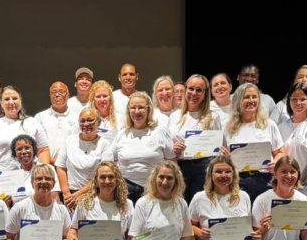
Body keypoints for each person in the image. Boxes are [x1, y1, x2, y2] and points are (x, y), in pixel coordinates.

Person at [188, 156, 261, 240]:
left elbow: (248, 227)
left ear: (233, 174)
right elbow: (189, 227)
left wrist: (256, 236)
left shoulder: (243, 196)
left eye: (228, 171)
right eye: (218, 172)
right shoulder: (199, 198)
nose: (224, 175)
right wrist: (199, 233)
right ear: (211, 175)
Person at [106, 91, 175, 205]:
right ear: (128, 110)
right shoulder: (122, 134)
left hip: (155, 189)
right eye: (133, 108)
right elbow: (109, 160)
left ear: (149, 109)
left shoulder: (160, 131)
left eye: (141, 107)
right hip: (126, 191)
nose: (137, 111)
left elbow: (172, 160)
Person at [4, 164, 73, 240]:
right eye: (39, 178)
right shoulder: (20, 207)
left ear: (53, 184)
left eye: (48, 178)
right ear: (32, 183)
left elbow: (68, 237)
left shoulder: (62, 209)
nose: (43, 181)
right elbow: (8, 237)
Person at [224, 82, 284, 203]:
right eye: (246, 97)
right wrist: (226, 157)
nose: (251, 100)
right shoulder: (228, 127)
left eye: (254, 97)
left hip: (265, 180)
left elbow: (281, 153)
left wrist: (277, 162)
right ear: (238, 101)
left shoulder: (268, 124)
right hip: (238, 180)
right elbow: (223, 156)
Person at [69, 162, 135, 240]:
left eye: (111, 177)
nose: (107, 181)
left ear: (117, 180)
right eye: (103, 177)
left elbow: (132, 234)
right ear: (96, 181)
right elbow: (73, 229)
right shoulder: (85, 203)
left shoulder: (127, 204)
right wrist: (73, 238)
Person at [169, 74, 224, 202]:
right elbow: (168, 145)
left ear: (205, 93)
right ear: (185, 89)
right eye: (191, 89)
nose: (194, 93)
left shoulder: (213, 117)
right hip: (179, 168)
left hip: (203, 170)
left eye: (199, 90)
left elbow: (218, 148)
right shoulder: (174, 116)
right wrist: (173, 148)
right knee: (180, 207)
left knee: (201, 208)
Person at [130, 161, 194, 240]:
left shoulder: (181, 203)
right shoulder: (143, 203)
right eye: (161, 177)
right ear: (155, 178)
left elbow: (186, 237)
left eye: (169, 178)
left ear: (176, 181)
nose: (165, 182)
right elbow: (134, 238)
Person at [0, 85, 50, 171]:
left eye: (15, 98)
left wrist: (43, 172)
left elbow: (43, 150)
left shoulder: (32, 122)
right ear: (1, 103)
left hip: (29, 177)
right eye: (7, 99)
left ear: (20, 100)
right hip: (0, 177)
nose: (11, 102)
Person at [56, 108, 111, 211]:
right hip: (69, 196)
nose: (86, 124)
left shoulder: (105, 145)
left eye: (90, 120)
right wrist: (67, 194)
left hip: (95, 194)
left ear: (98, 122)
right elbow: (60, 167)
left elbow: (102, 176)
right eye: (82, 121)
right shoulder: (69, 141)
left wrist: (77, 195)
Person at [9, 134, 60, 205]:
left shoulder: (47, 169)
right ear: (15, 153)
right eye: (19, 149)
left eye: (27, 148)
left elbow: (55, 198)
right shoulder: (12, 174)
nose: (24, 152)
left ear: (34, 150)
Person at [34, 82, 77, 163]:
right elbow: (36, 143)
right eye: (54, 92)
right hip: (44, 166)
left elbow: (76, 144)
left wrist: (61, 162)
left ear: (68, 95)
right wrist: (49, 159)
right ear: (50, 96)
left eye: (61, 91)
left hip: (68, 166)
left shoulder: (76, 118)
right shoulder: (39, 117)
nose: (57, 95)